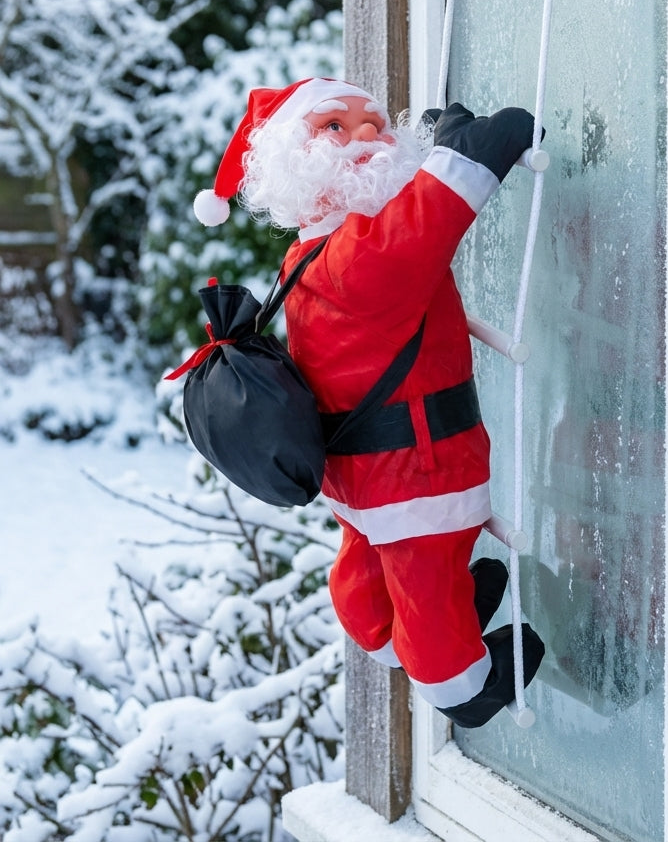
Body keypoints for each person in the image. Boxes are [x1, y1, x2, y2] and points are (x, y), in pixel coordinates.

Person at [192, 77, 545, 728]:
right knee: (426, 575)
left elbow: (398, 224)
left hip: (356, 473)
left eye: (376, 123)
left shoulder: (310, 250)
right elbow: (412, 236)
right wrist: (467, 158)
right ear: (296, 158)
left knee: (364, 575)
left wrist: (438, 151)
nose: (366, 135)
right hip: (412, 469)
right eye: (334, 126)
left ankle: (384, 637)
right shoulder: (351, 256)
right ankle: (460, 685)